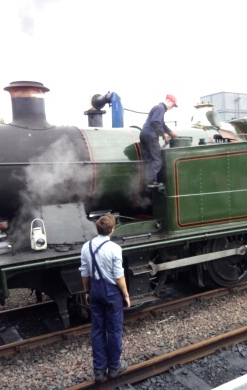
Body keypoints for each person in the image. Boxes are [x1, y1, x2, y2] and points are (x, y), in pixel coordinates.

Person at [79, 214, 130, 382]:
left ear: (97, 229)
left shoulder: (86, 247)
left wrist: (88, 291)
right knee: (114, 330)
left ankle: (99, 371)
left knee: (97, 330)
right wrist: (126, 295)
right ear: (112, 230)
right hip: (112, 292)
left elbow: (85, 275)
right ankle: (114, 367)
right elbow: (119, 277)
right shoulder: (115, 249)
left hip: (95, 290)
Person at [139, 94, 178, 186]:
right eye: (172, 105)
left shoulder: (158, 108)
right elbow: (155, 122)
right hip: (151, 135)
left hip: (144, 134)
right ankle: (151, 182)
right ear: (169, 101)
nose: (172, 108)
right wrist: (163, 134)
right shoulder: (160, 108)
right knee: (157, 160)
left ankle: (147, 182)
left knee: (149, 160)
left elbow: (162, 124)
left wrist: (170, 132)